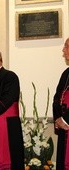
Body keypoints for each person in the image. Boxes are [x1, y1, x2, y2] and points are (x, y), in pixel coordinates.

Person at [53, 38, 69, 170]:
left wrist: (65, 119)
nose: (63, 50)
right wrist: (58, 119)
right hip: (64, 126)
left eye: (67, 47)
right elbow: (57, 98)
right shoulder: (66, 73)